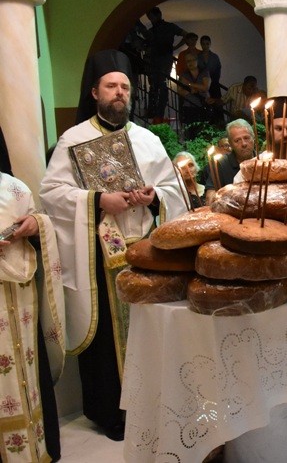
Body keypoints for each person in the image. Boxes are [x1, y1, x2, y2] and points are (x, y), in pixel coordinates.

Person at [40, 50, 184, 441]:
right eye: (111, 86)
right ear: (94, 92)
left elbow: (174, 191)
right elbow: (51, 192)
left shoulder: (148, 139)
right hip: (100, 258)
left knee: (150, 329)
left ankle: (153, 403)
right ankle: (112, 413)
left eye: (124, 87)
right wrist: (99, 200)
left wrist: (154, 197)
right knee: (108, 338)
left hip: (147, 250)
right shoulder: (74, 139)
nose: (119, 93)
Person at [0, 170, 65, 462]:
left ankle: (36, 449)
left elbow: (39, 221)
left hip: (22, 297)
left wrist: (36, 225)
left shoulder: (14, 186)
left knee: (27, 366)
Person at [144, 7, 186, 120]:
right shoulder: (153, 31)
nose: (151, 20)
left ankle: (158, 112)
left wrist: (175, 47)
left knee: (161, 85)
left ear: (158, 15)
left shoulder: (169, 27)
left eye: (151, 17)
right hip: (155, 61)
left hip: (163, 60)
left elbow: (186, 35)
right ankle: (154, 111)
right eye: (149, 18)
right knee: (155, 85)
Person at [204, 119, 256, 204]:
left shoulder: (264, 159)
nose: (244, 144)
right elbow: (210, 196)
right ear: (230, 144)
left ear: (253, 138)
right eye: (237, 140)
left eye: (246, 138)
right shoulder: (220, 164)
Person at [177, 52, 211, 137]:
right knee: (190, 134)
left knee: (203, 132)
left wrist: (189, 84)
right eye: (188, 61)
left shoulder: (204, 72)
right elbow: (179, 90)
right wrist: (191, 91)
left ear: (197, 60)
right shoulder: (183, 75)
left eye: (192, 60)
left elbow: (206, 87)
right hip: (189, 107)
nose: (190, 63)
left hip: (203, 106)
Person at [197, 34, 222, 100]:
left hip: (214, 84)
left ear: (210, 44)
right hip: (202, 84)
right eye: (203, 44)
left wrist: (213, 81)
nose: (205, 46)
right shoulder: (197, 57)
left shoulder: (214, 57)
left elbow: (218, 70)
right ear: (201, 44)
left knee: (216, 104)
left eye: (207, 44)